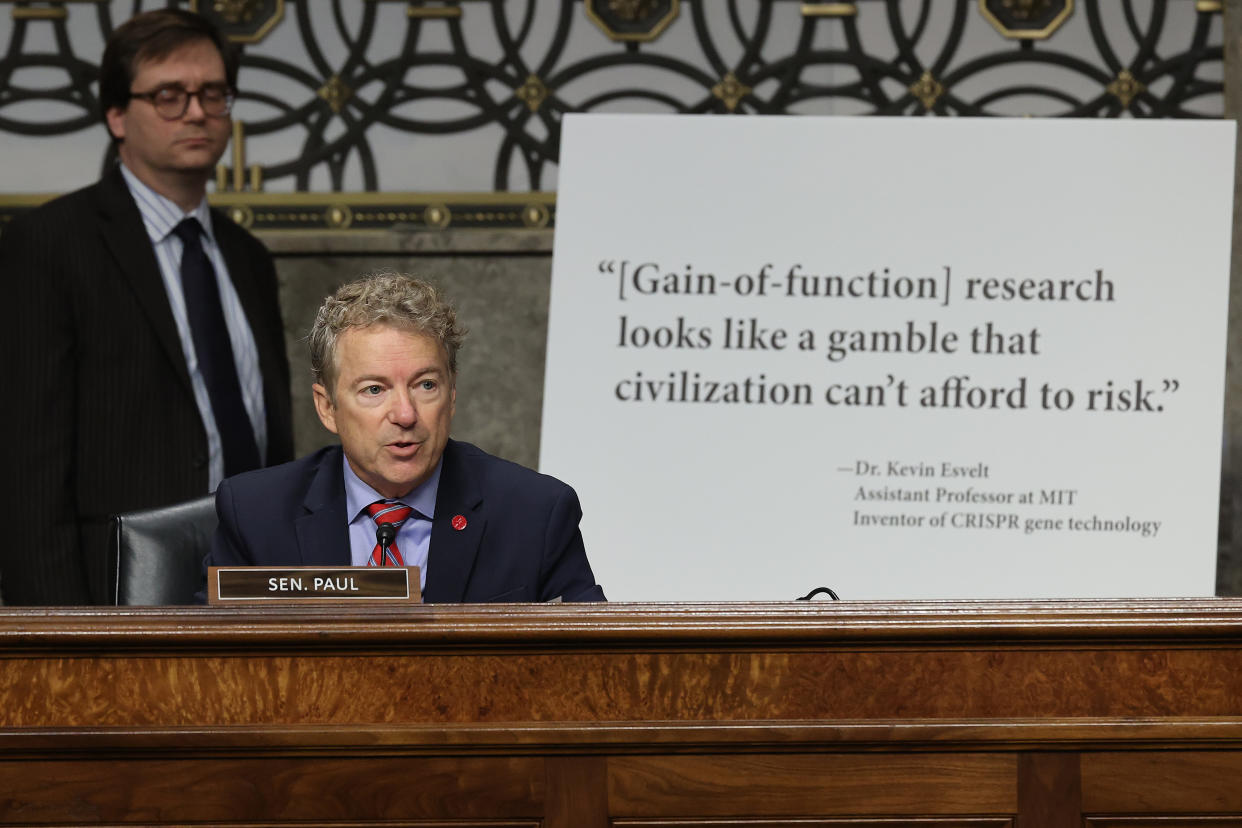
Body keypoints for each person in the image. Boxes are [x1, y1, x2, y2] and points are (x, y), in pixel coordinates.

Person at [0, 9, 293, 605]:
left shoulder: (248, 258)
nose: (196, 112)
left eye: (213, 94)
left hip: (249, 588)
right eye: (168, 95)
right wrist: (64, 645)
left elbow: (272, 445)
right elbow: (28, 472)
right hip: (109, 594)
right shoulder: (50, 245)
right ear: (116, 114)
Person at [205, 273, 604, 603]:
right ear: (327, 407)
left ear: (451, 394)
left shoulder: (535, 514)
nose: (405, 414)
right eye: (374, 390)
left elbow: (594, 672)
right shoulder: (256, 515)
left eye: (425, 385)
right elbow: (203, 671)